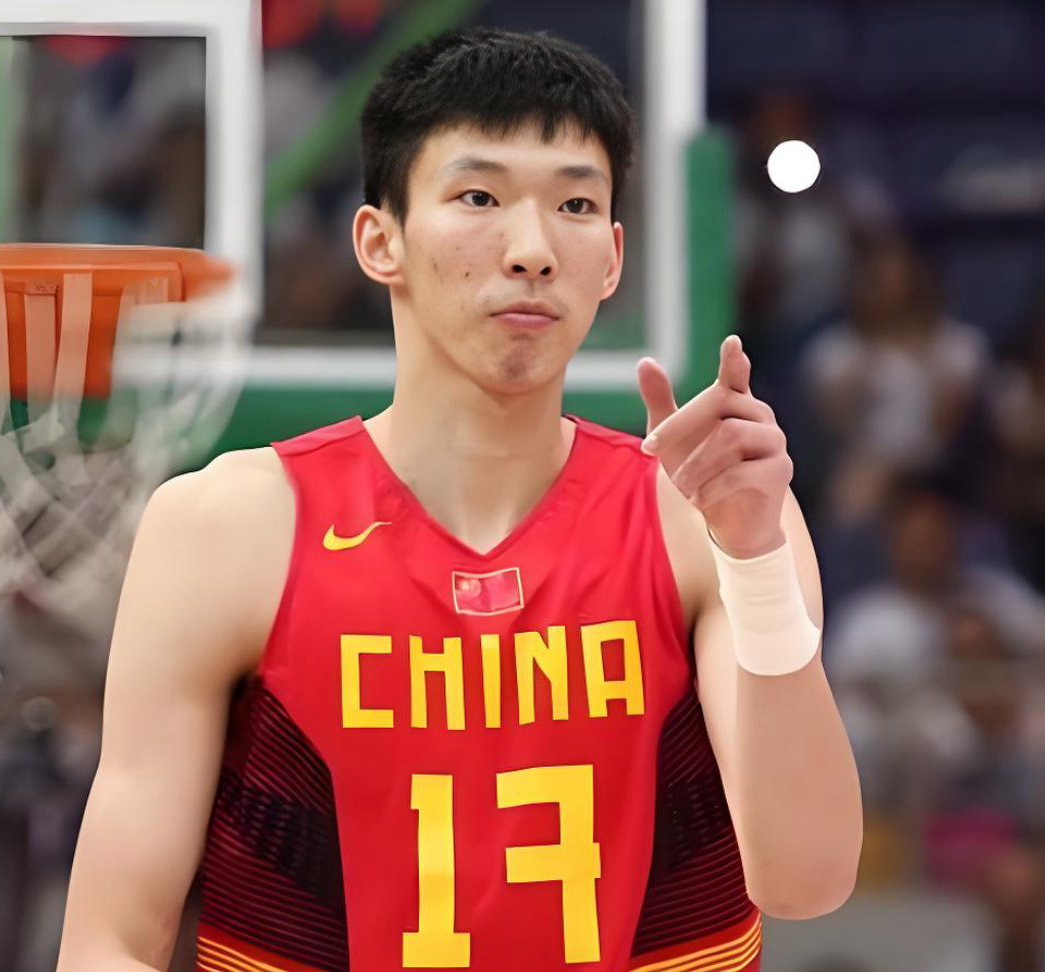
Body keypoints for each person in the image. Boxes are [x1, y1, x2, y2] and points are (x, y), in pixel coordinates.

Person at [55, 26, 861, 972]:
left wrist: (756, 561)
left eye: (574, 204)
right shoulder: (226, 529)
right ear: (379, 241)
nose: (532, 249)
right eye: (479, 197)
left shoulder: (708, 518)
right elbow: (112, 940)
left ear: (612, 259)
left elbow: (806, 880)